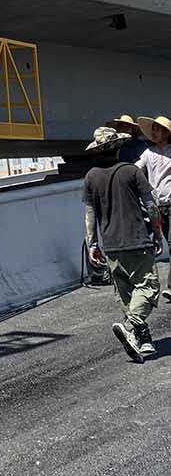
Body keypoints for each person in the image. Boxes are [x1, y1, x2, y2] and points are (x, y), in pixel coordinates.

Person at [83, 124, 163, 362]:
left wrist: (92, 244)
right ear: (118, 147)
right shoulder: (131, 171)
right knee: (148, 287)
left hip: (111, 245)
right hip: (136, 239)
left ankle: (143, 341)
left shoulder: (91, 176)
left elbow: (90, 214)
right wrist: (157, 233)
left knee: (127, 294)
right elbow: (151, 205)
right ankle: (131, 326)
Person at [135, 113, 171, 303]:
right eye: (154, 129)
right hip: (157, 207)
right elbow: (136, 169)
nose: (155, 132)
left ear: (167, 133)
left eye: (159, 130)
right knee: (165, 244)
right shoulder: (148, 154)